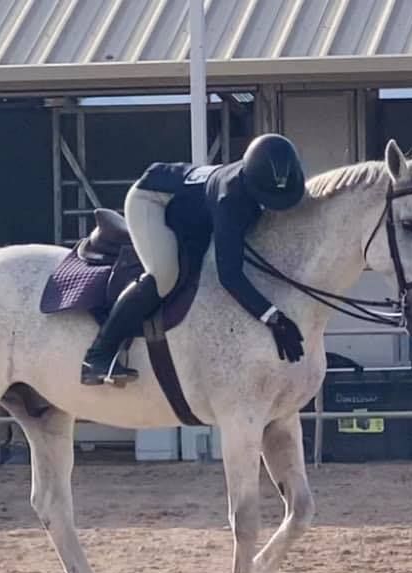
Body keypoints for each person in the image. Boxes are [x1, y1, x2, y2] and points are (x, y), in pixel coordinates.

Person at [80, 133, 307, 386]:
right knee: (165, 276)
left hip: (190, 209)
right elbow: (229, 276)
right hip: (153, 200)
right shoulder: (230, 199)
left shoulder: (272, 180)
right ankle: (98, 356)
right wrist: (273, 318)